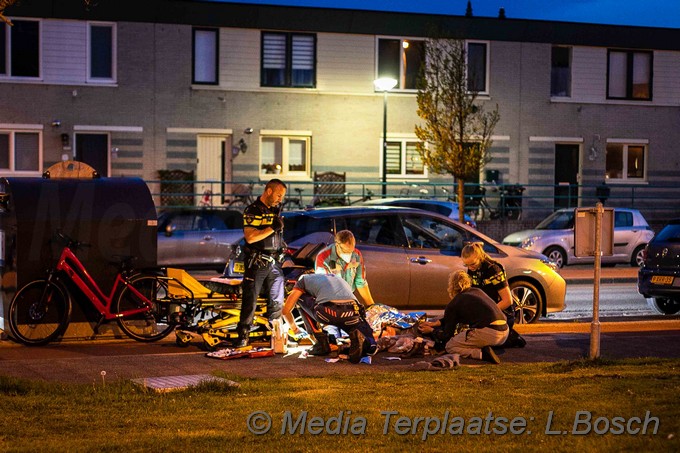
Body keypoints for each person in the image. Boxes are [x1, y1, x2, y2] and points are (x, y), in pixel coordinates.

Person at [235, 179, 287, 348]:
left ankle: (274, 334)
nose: (281, 199)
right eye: (279, 195)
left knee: (277, 300)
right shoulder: (253, 210)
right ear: (269, 191)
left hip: (274, 262)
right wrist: (272, 229)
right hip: (257, 262)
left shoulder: (274, 210)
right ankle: (243, 334)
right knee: (250, 301)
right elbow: (250, 237)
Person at [283, 273, 378, 363]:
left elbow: (285, 311)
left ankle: (321, 343)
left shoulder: (303, 280)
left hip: (329, 312)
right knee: (369, 344)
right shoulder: (336, 278)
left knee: (299, 298)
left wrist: (295, 329)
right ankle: (360, 344)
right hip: (354, 312)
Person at [418, 271, 508, 364]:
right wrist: (434, 324)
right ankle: (489, 346)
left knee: (450, 346)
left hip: (490, 333)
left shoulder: (455, 303)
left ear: (451, 286)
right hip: (505, 332)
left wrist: (431, 330)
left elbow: (446, 336)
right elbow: (455, 317)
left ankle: (481, 354)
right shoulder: (477, 291)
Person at [461, 242, 527, 348]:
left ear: (480, 257)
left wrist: (485, 314)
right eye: (466, 265)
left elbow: (507, 301)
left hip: (502, 312)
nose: (470, 268)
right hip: (486, 310)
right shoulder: (473, 268)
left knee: (482, 340)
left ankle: (510, 337)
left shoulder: (493, 269)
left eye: (472, 264)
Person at [315, 230, 376, 306]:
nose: (349, 254)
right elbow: (323, 286)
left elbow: (360, 282)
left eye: (352, 250)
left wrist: (372, 306)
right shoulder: (324, 257)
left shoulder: (356, 255)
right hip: (330, 301)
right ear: (337, 245)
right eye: (346, 251)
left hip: (349, 297)